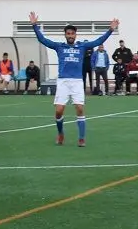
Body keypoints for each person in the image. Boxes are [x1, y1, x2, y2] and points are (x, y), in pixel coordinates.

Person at [29, 12, 119, 147]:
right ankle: (60, 134)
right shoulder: (59, 46)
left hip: (77, 81)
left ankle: (81, 138)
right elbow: (43, 40)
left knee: (80, 109)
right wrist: (35, 26)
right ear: (65, 35)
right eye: (68, 33)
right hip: (63, 82)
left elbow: (98, 41)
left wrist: (111, 30)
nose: (70, 35)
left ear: (75, 35)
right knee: (59, 111)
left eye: (72, 33)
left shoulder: (82, 46)